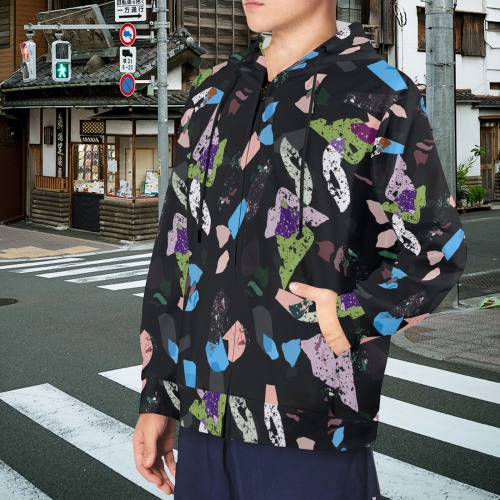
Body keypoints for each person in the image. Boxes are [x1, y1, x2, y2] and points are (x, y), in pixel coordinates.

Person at [132, 0, 467, 498]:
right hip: (203, 418)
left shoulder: (381, 93)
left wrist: (351, 314)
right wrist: (158, 395)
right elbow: (175, 251)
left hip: (313, 427)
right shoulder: (210, 94)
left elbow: (438, 249)